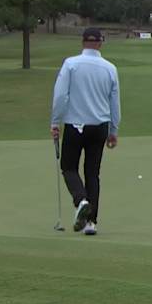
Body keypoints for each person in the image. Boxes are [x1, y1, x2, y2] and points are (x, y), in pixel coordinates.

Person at [51, 27, 121, 236]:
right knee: (92, 173)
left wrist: (55, 122)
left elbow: (60, 96)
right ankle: (91, 222)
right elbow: (114, 103)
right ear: (100, 43)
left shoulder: (71, 64)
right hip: (100, 127)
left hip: (75, 125)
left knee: (68, 167)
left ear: (82, 42)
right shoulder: (110, 68)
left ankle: (81, 200)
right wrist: (114, 130)